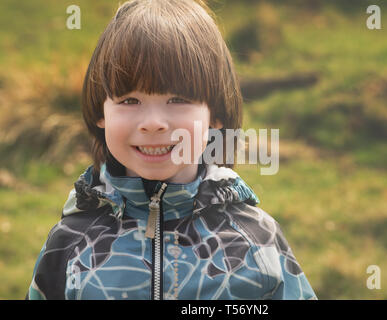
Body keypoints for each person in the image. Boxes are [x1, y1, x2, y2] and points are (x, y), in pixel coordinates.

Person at [27, 0, 317, 300]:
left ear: (215, 115)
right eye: (130, 100)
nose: (153, 124)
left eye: (177, 99)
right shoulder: (69, 242)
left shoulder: (258, 242)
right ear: (101, 112)